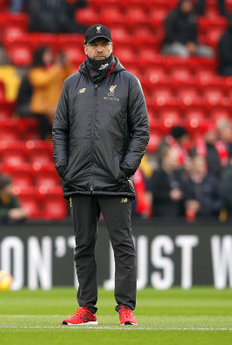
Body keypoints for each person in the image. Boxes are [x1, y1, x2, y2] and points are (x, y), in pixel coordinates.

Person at [53, 24, 149, 326]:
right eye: (94, 44)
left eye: (103, 43)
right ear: (84, 48)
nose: (99, 49)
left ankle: (125, 308)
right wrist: (64, 168)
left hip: (114, 180)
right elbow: (60, 130)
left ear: (112, 45)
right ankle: (87, 309)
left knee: (123, 245)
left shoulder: (129, 82)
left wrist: (125, 169)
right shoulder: (71, 84)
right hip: (79, 180)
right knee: (83, 246)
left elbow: (141, 130)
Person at [182, 154, 222, 221]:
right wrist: (188, 204)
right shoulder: (186, 181)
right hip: (191, 220)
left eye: (201, 165)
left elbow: (220, 200)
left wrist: (203, 206)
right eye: (197, 165)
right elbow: (183, 199)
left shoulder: (212, 180)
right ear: (192, 166)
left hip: (210, 219)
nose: (199, 167)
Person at [150, 146, 186, 219]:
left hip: (179, 215)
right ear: (165, 158)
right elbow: (154, 194)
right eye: (173, 159)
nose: (175, 162)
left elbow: (185, 190)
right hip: (161, 216)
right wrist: (169, 195)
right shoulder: (157, 175)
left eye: (176, 159)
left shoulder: (179, 174)